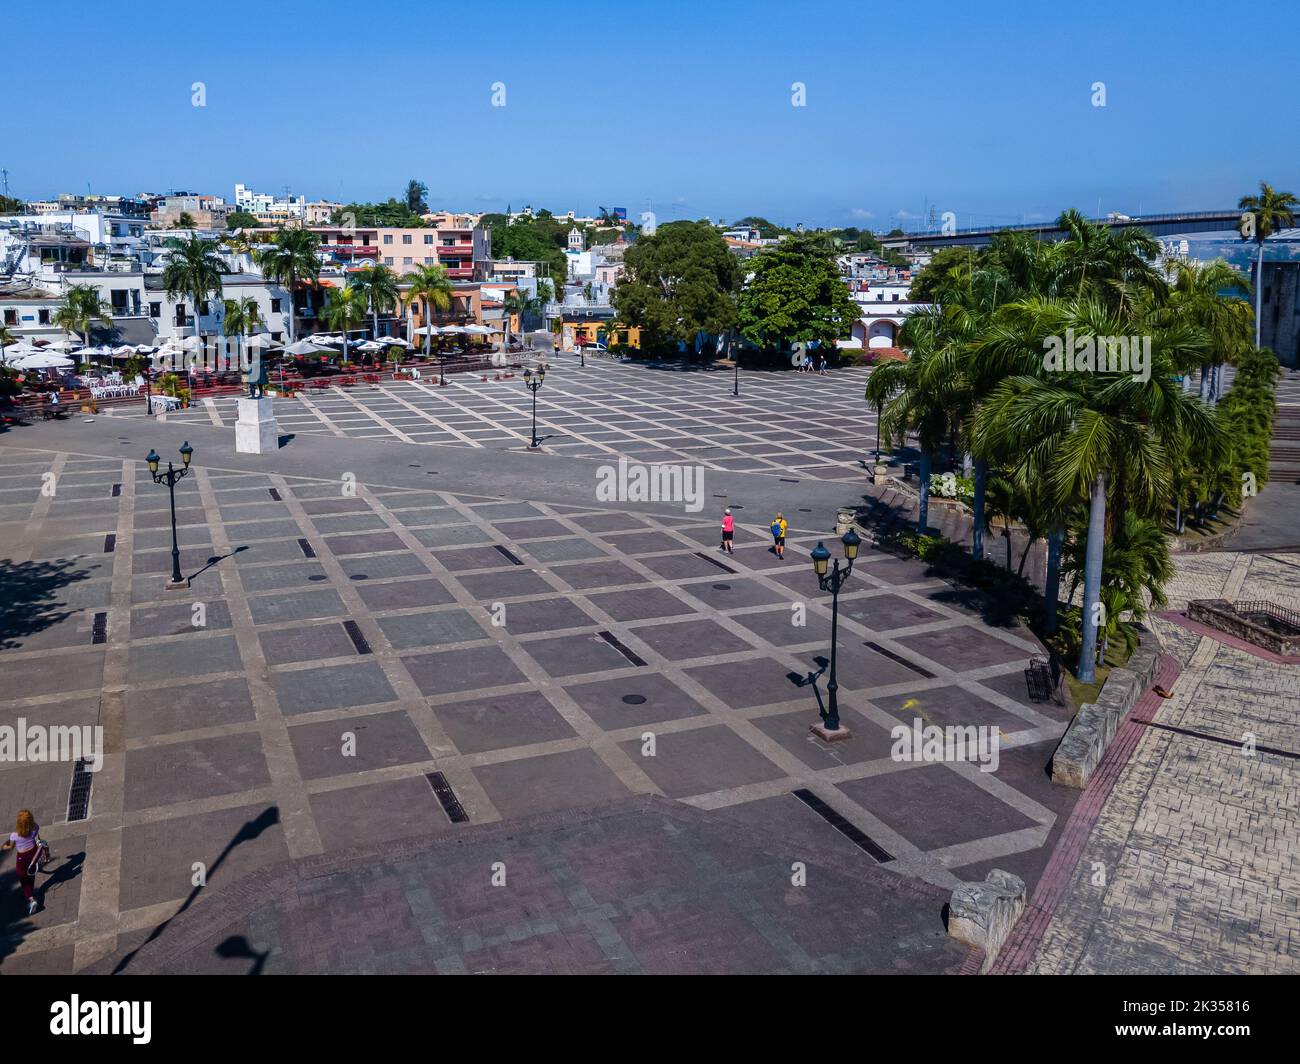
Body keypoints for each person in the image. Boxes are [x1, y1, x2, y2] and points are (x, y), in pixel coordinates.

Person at [2, 809, 46, 915]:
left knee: (23, 877)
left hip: (22, 857)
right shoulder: (35, 828)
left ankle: (31, 899)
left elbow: (11, 847)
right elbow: (36, 837)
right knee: (31, 872)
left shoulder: (15, 835)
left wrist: (4, 846)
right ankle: (31, 891)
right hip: (33, 852)